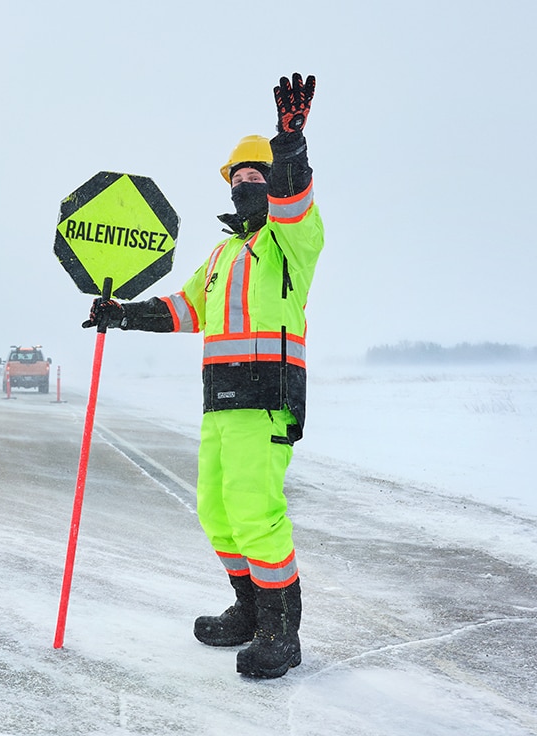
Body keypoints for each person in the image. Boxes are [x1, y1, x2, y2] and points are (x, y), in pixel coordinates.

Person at [83, 73, 324, 678]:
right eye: (239, 178)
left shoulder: (290, 242)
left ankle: (280, 632)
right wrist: (123, 314)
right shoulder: (220, 256)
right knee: (216, 512)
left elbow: (294, 200)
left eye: (256, 176)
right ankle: (248, 611)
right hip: (220, 401)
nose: (247, 185)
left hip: (266, 396)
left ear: (271, 182)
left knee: (254, 510)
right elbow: (185, 309)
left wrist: (289, 145)